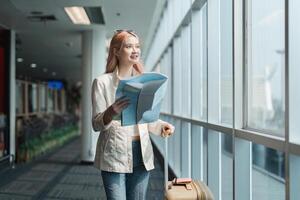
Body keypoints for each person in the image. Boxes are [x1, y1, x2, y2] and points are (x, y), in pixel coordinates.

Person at [91, 30, 175, 200]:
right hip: (114, 152)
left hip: (141, 152)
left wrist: (161, 126)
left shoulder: (145, 81)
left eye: (137, 46)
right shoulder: (102, 82)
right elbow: (95, 124)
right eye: (129, 46)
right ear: (116, 51)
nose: (135, 50)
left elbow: (145, 117)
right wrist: (110, 113)